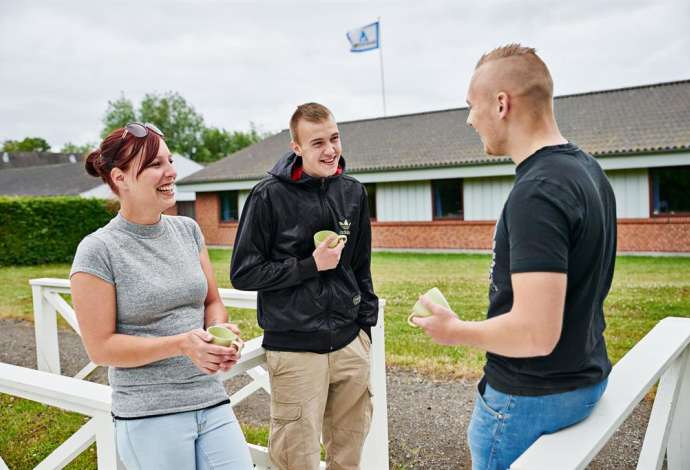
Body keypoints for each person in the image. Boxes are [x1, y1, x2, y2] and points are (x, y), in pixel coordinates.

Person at [413, 44, 617, 470]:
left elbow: (536, 333)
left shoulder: (538, 192)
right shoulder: (587, 170)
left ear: (502, 103)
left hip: (528, 400)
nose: (469, 119)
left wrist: (453, 331)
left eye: (471, 106)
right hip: (582, 380)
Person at [70, 123, 253, 469]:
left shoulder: (188, 230)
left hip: (211, 399)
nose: (171, 172)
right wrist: (183, 344)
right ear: (119, 178)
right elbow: (101, 347)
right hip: (149, 415)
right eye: (155, 164)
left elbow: (212, 302)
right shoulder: (98, 250)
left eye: (168, 161)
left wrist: (219, 338)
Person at [230, 103, 378, 470]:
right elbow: (244, 272)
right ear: (296, 147)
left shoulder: (353, 192)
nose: (330, 150)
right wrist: (310, 266)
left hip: (349, 345)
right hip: (296, 351)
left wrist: (365, 328)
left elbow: (361, 264)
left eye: (334, 138)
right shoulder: (268, 196)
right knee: (297, 460)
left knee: (349, 456)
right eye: (317, 143)